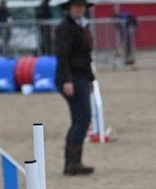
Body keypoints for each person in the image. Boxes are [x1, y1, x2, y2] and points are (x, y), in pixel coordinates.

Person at [55, 0, 95, 175]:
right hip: (72, 77)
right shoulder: (66, 28)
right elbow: (63, 56)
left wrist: (90, 79)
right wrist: (67, 80)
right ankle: (71, 162)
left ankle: (74, 161)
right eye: (76, 6)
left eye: (82, 6)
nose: (80, 8)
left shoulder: (81, 27)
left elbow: (85, 56)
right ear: (70, 7)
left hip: (81, 76)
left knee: (81, 119)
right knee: (82, 119)